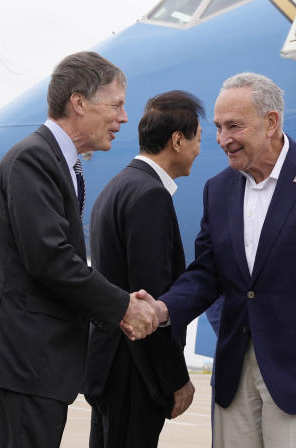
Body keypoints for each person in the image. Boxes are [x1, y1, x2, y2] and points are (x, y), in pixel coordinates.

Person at [151, 72, 296, 448]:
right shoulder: (218, 189)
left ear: (271, 122)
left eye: (234, 126)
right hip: (235, 373)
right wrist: (162, 309)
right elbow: (207, 273)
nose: (223, 139)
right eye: (219, 127)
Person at [0, 52, 159, 448]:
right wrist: (121, 307)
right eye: (116, 105)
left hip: (42, 364)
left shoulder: (60, 162)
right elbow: (50, 257)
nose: (124, 118)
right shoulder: (34, 158)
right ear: (78, 102)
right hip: (29, 361)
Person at [83, 91, 205, 448]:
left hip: (110, 367)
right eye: (198, 138)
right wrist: (175, 379)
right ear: (178, 140)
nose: (199, 149)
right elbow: (148, 303)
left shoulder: (117, 186)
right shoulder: (150, 195)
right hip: (134, 373)